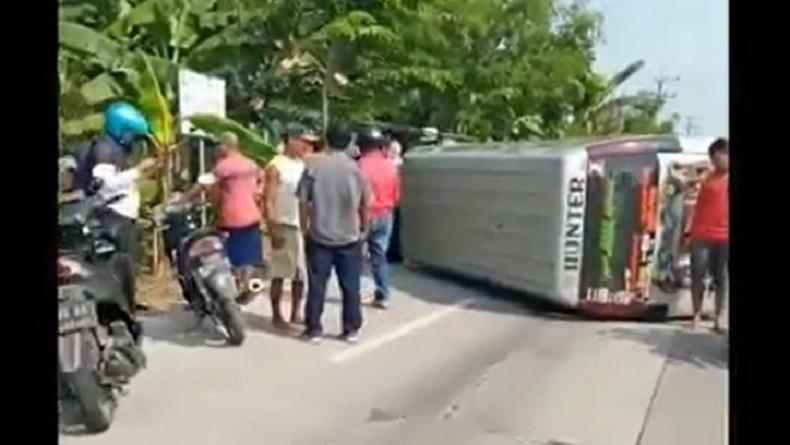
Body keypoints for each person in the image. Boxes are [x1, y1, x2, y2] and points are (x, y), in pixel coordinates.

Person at [297, 124, 372, 344]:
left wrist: (304, 228)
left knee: (317, 285)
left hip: (319, 235)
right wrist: (364, 230)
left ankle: (314, 329)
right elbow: (365, 204)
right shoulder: (356, 170)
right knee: (350, 286)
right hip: (349, 237)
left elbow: (303, 201)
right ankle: (351, 329)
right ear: (349, 142)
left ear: (327, 140)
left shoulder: (313, 166)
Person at [194, 132, 266, 301]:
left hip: (230, 217)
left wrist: (183, 199)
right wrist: (257, 194)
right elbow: (261, 181)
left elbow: (203, 186)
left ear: (225, 146)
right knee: (248, 256)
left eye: (218, 145)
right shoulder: (251, 164)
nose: (215, 150)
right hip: (251, 216)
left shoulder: (223, 167)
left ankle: (233, 288)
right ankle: (246, 283)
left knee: (226, 256)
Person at [264, 125, 319, 328]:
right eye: (304, 142)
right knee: (280, 273)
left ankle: (296, 312)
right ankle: (276, 314)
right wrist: (271, 229)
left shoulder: (304, 165)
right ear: (291, 140)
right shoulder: (276, 166)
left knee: (300, 274)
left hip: (302, 225)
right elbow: (268, 200)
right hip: (283, 224)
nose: (307, 146)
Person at [357, 128, 401, 309]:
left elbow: (357, 196)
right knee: (379, 255)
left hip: (363, 215)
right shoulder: (390, 165)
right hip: (386, 214)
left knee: (356, 256)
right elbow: (397, 196)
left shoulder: (360, 166)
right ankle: (383, 294)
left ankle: (355, 292)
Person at [689, 137, 729, 332]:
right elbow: (697, 207)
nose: (723, 160)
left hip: (725, 237)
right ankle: (696, 314)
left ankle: (719, 317)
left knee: (722, 277)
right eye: (718, 157)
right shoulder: (706, 178)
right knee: (698, 275)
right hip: (702, 235)